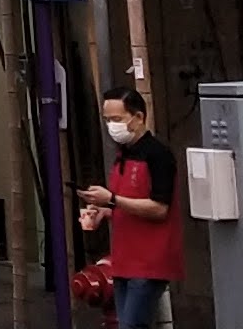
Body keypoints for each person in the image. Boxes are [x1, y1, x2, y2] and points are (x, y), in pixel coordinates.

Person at [73, 84, 184, 329]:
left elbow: (159, 208)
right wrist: (104, 210)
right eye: (107, 119)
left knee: (133, 324)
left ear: (138, 117)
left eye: (117, 119)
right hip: (123, 258)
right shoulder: (122, 154)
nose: (112, 126)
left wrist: (112, 200)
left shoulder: (158, 155)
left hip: (150, 261)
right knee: (125, 323)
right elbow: (127, 203)